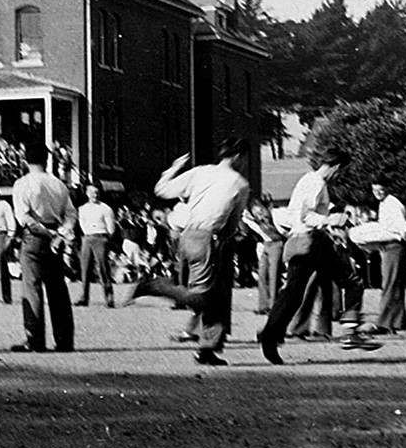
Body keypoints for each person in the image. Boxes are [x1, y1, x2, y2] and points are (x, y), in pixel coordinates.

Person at [131, 139, 252, 365]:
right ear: (238, 157)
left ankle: (209, 348)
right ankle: (154, 286)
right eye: (245, 158)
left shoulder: (200, 172)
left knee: (219, 294)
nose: (245, 163)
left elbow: (161, 190)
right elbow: (234, 223)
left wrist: (174, 168)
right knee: (203, 297)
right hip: (209, 239)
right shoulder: (240, 184)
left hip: (188, 235)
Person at [258, 149, 368, 364]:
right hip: (310, 241)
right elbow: (305, 215)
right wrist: (330, 220)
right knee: (348, 281)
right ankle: (351, 332)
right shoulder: (316, 183)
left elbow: (295, 216)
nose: (340, 177)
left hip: (306, 240)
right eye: (341, 172)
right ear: (337, 167)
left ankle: (271, 334)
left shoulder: (308, 180)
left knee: (295, 292)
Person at [10, 143, 78, 353]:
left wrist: (48, 233)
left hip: (36, 237)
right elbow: (71, 214)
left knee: (32, 289)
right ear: (47, 160)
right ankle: (64, 339)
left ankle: (35, 338)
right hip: (55, 238)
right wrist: (61, 233)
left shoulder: (22, 183)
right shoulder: (59, 184)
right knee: (58, 289)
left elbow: (24, 217)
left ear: (25, 160)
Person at [360, 180, 406, 339]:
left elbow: (399, 228)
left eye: (381, 190)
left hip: (393, 245)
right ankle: (397, 321)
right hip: (390, 245)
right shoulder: (385, 204)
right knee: (395, 284)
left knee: (389, 283)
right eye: (375, 190)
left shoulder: (392, 204)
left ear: (387, 188)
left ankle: (385, 323)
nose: (378, 193)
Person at [75, 184, 118, 307]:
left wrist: (104, 238)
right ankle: (84, 297)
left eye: (97, 192)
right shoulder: (82, 209)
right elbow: (82, 224)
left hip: (101, 238)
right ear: (87, 193)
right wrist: (88, 234)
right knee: (85, 268)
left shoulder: (106, 209)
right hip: (87, 238)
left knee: (103, 267)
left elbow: (111, 228)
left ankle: (109, 297)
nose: (94, 195)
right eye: (92, 192)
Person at [244, 197, 287, 315]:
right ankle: (263, 305)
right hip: (266, 244)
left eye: (260, 211)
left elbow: (272, 231)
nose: (258, 214)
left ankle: (273, 305)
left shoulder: (271, 217)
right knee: (262, 275)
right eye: (255, 212)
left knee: (273, 276)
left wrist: (258, 220)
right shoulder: (254, 220)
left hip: (275, 244)